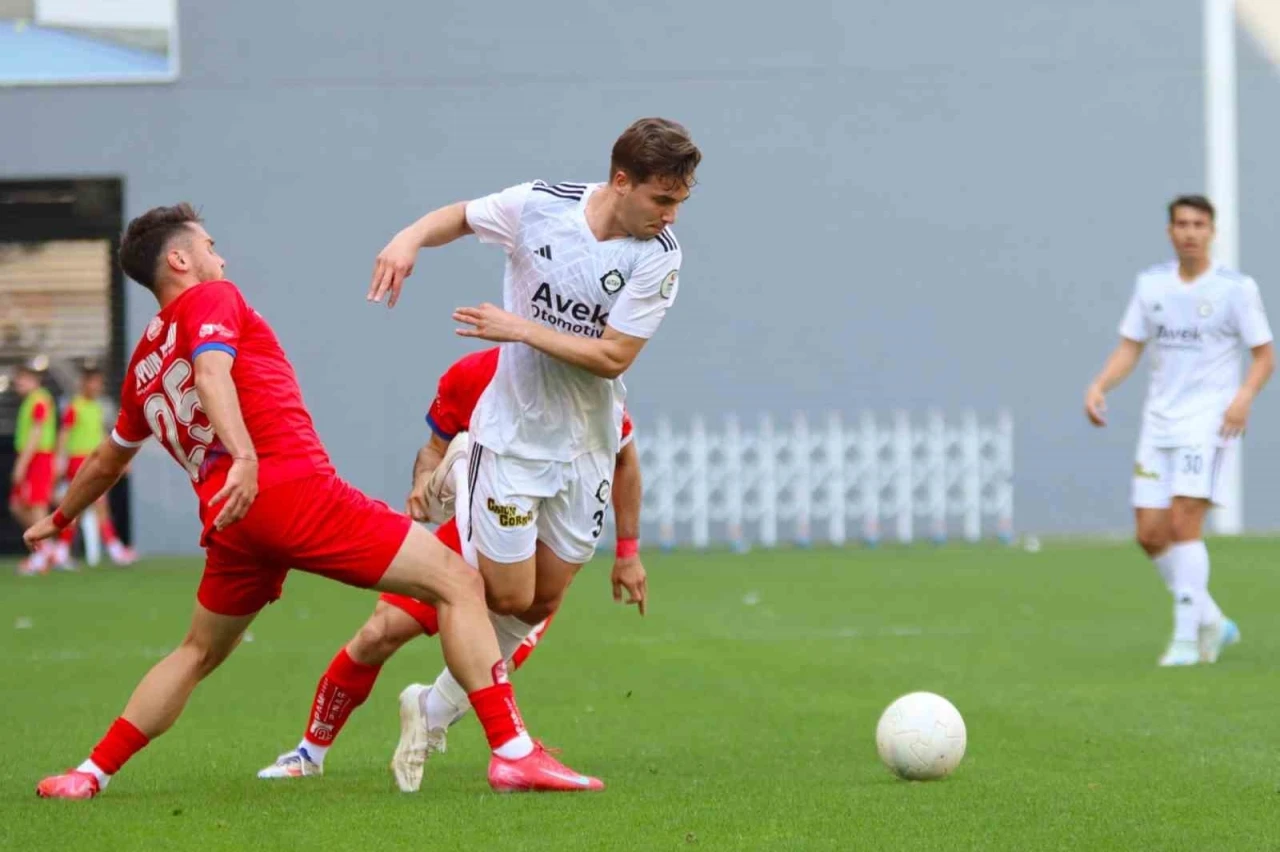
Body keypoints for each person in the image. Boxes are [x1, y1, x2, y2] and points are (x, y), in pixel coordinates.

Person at [26, 203, 601, 800]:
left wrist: (60, 517)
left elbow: (109, 457)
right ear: (179, 259)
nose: (221, 258)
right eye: (210, 246)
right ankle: (512, 752)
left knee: (195, 652)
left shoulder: (143, 365)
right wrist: (245, 456)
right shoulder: (212, 298)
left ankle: (89, 773)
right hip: (290, 492)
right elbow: (211, 373)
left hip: (232, 521)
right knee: (459, 583)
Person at [366, 120, 697, 765]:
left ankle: (431, 709)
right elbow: (460, 217)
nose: (671, 215)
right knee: (509, 597)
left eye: (680, 201)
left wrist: (519, 328)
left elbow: (612, 356)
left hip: (588, 447)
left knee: (543, 601)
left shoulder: (659, 256)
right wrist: (408, 239)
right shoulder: (541, 205)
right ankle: (464, 469)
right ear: (621, 182)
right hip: (513, 439)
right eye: (662, 199)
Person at [256, 346, 645, 791]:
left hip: (538, 557)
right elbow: (432, 449)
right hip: (475, 530)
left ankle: (435, 716)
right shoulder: (472, 375)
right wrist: (424, 480)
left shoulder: (581, 378)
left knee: (489, 654)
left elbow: (624, 460)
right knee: (380, 631)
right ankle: (309, 753)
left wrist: (628, 552)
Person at [1084, 194, 1274, 666]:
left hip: (1209, 423)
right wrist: (1100, 385)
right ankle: (1214, 620)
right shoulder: (1151, 285)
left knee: (1184, 521)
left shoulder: (1236, 289)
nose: (1190, 232)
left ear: (1212, 232)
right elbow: (1130, 346)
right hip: (1158, 424)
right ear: (1170, 231)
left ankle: (1187, 639)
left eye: (1199, 224)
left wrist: (1243, 398)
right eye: (1182, 224)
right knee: (1150, 534)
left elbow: (1264, 355)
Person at [52, 363, 136, 568]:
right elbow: (64, 435)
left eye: (100, 382)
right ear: (85, 383)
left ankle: (62, 551)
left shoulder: (97, 407)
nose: (97, 386)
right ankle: (115, 550)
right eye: (94, 382)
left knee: (80, 509)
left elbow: (101, 435)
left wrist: (120, 459)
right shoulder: (74, 407)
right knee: (96, 506)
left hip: (95, 460)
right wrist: (59, 461)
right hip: (78, 462)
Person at [10, 362, 57, 576]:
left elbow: (36, 433)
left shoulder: (39, 400)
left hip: (38, 458)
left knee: (37, 505)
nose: (18, 384)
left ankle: (42, 554)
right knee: (17, 505)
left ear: (34, 380)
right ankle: (47, 549)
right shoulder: (30, 401)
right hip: (32, 457)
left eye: (23, 379)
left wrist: (22, 464)